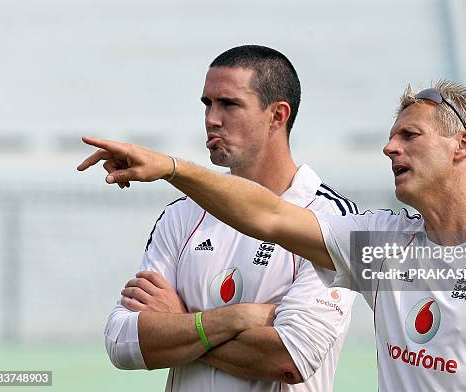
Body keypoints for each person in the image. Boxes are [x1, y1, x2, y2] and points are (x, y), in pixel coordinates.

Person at [78, 80, 466, 391]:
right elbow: (271, 217)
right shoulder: (384, 245)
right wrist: (173, 168)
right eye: (392, 135)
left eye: (409, 135)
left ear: (462, 145)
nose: (389, 148)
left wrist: (181, 327)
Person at [98, 45, 357, 392]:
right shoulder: (180, 215)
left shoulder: (332, 219)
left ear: (277, 116)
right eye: (207, 104)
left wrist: (179, 323)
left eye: (229, 104)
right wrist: (235, 319)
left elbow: (290, 359)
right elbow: (121, 341)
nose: (211, 119)